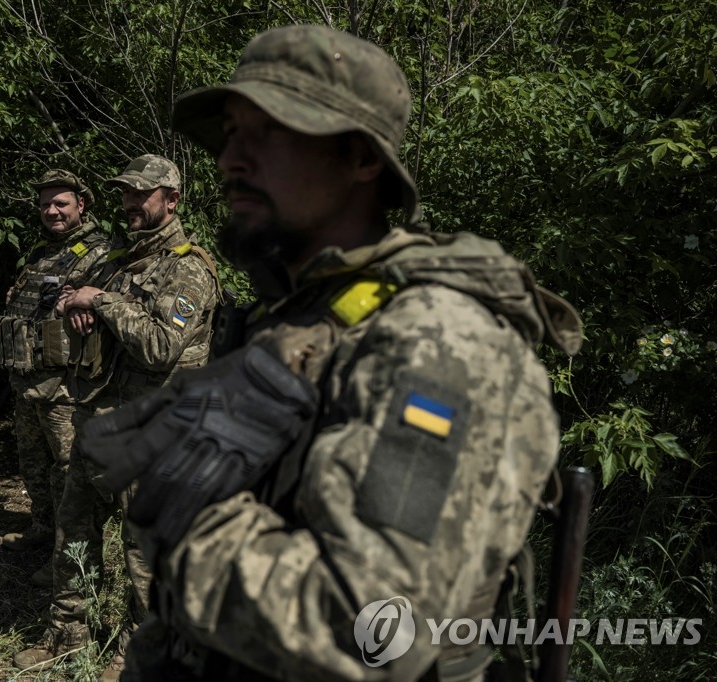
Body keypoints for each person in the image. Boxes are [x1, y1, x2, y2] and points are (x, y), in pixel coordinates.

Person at [78, 25, 584, 681]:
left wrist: (195, 513)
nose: (232, 158)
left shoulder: (437, 341)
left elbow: (375, 630)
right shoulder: (301, 313)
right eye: (231, 132)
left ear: (362, 159)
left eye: (269, 131)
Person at [11, 155, 220, 678]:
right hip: (99, 418)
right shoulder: (119, 258)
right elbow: (68, 293)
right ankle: (66, 633)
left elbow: (158, 344)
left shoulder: (188, 267)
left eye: (140, 195)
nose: (128, 203)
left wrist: (101, 301)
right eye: (124, 193)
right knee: (73, 530)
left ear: (171, 201)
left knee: (142, 555)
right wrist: (74, 303)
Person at [0, 169, 119, 590]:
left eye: (61, 203)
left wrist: (83, 299)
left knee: (69, 473)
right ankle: (43, 530)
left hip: (67, 385)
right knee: (34, 465)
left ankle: (70, 560)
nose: (51, 211)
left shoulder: (101, 252)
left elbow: (111, 300)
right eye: (46, 204)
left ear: (81, 205)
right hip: (28, 377)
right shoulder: (40, 252)